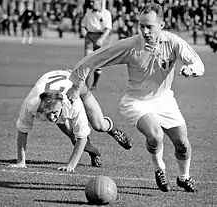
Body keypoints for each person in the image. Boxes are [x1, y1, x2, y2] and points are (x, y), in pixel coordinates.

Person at [67, 3, 205, 192]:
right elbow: (94, 58)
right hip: (136, 101)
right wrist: (76, 84)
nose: (145, 31)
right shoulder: (131, 45)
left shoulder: (173, 42)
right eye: (141, 26)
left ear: (162, 25)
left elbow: (198, 63)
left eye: (150, 26)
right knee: (155, 135)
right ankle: (159, 170)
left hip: (164, 99)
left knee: (182, 143)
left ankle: (184, 177)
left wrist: (192, 69)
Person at [9, 69, 132, 172]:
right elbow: (22, 130)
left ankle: (114, 130)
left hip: (77, 86)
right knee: (72, 135)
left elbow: (82, 137)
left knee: (98, 125)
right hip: (54, 83)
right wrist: (21, 161)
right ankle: (95, 152)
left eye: (54, 113)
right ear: (42, 106)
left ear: (62, 105)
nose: (52, 118)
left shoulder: (73, 103)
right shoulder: (32, 104)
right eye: (48, 113)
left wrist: (71, 165)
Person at [81, 0, 112, 90]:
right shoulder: (88, 13)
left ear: (99, 2)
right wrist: (83, 30)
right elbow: (83, 24)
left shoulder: (106, 13)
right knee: (87, 60)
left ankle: (94, 84)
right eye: (91, 2)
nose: (91, 3)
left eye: (93, 2)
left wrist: (101, 39)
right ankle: (86, 84)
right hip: (90, 37)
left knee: (98, 63)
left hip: (101, 36)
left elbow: (108, 29)